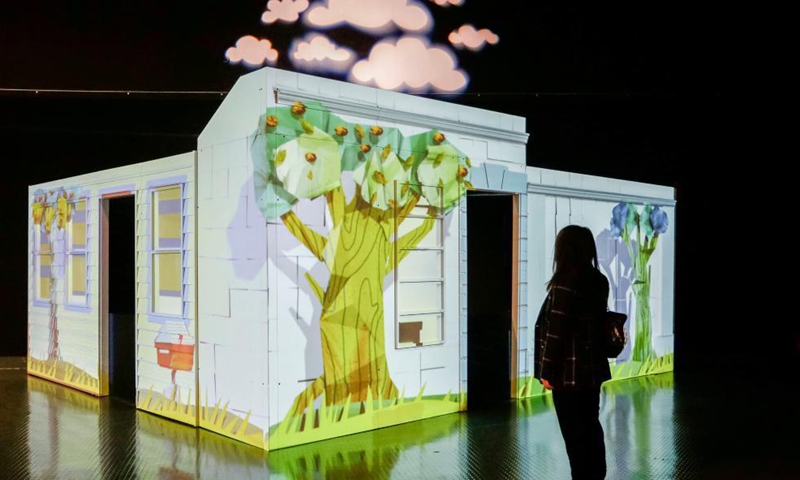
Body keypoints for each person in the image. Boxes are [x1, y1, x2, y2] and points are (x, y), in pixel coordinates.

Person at [534, 225, 611, 480]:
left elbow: (557, 331)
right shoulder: (598, 281)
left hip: (569, 375)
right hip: (592, 372)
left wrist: (547, 371)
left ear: (564, 250)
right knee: (591, 429)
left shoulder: (566, 282)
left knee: (575, 438)